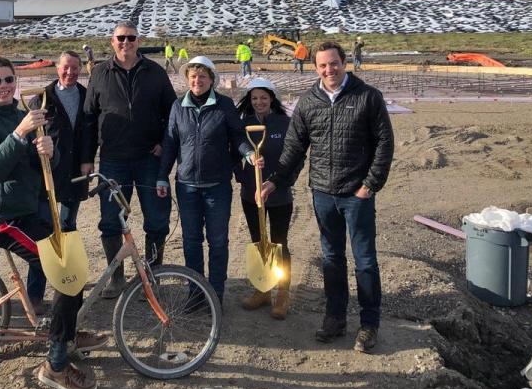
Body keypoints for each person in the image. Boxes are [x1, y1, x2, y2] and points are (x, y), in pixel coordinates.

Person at [0, 57, 105, 389]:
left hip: (23, 210)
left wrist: (50, 152)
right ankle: (55, 366)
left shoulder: (20, 114)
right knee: (64, 273)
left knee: (73, 264)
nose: (4, 86)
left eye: (9, 79)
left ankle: (67, 336)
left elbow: (43, 164)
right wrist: (20, 133)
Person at [262, 41, 394, 353]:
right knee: (332, 260)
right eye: (322, 65)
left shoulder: (367, 97)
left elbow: (384, 143)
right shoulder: (309, 101)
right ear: (315, 67)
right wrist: (274, 180)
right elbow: (294, 148)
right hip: (322, 192)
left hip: (356, 195)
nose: (328, 70)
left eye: (333, 64)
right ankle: (335, 318)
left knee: (364, 261)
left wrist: (370, 185)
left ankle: (369, 324)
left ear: (344, 63)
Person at [82, 21, 176, 298]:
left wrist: (163, 143)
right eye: (120, 38)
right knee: (111, 220)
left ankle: (152, 275)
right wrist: (88, 158)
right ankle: (117, 278)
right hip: (113, 160)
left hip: (149, 158)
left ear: (138, 41)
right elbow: (89, 119)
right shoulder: (99, 73)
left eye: (131, 38)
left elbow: (172, 114)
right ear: (112, 42)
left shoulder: (155, 73)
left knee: (157, 220)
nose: (126, 42)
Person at [157, 56, 255, 304]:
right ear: (188, 80)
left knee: (218, 241)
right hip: (187, 186)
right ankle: (195, 293)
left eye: (202, 76)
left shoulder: (224, 105)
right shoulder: (178, 107)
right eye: (193, 77)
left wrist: (249, 153)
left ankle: (216, 294)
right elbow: (170, 143)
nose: (197, 81)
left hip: (217, 186)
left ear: (211, 80)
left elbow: (237, 136)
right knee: (191, 241)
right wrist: (162, 177)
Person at [24, 51, 91, 313]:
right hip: (47, 175)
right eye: (66, 68)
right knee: (44, 235)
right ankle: (36, 294)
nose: (70, 72)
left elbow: (89, 132)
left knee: (67, 228)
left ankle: (67, 289)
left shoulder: (86, 96)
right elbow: (29, 136)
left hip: (74, 174)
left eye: (75, 68)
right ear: (57, 68)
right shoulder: (41, 98)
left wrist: (87, 159)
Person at [233, 78, 298, 319]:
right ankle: (263, 289)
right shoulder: (244, 124)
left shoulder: (285, 123)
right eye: (254, 98)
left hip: (279, 194)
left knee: (279, 243)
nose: (259, 102)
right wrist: (244, 177)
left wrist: (279, 181)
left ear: (272, 98)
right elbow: (234, 151)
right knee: (259, 241)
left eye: (263, 97)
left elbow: (295, 158)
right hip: (251, 195)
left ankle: (282, 292)